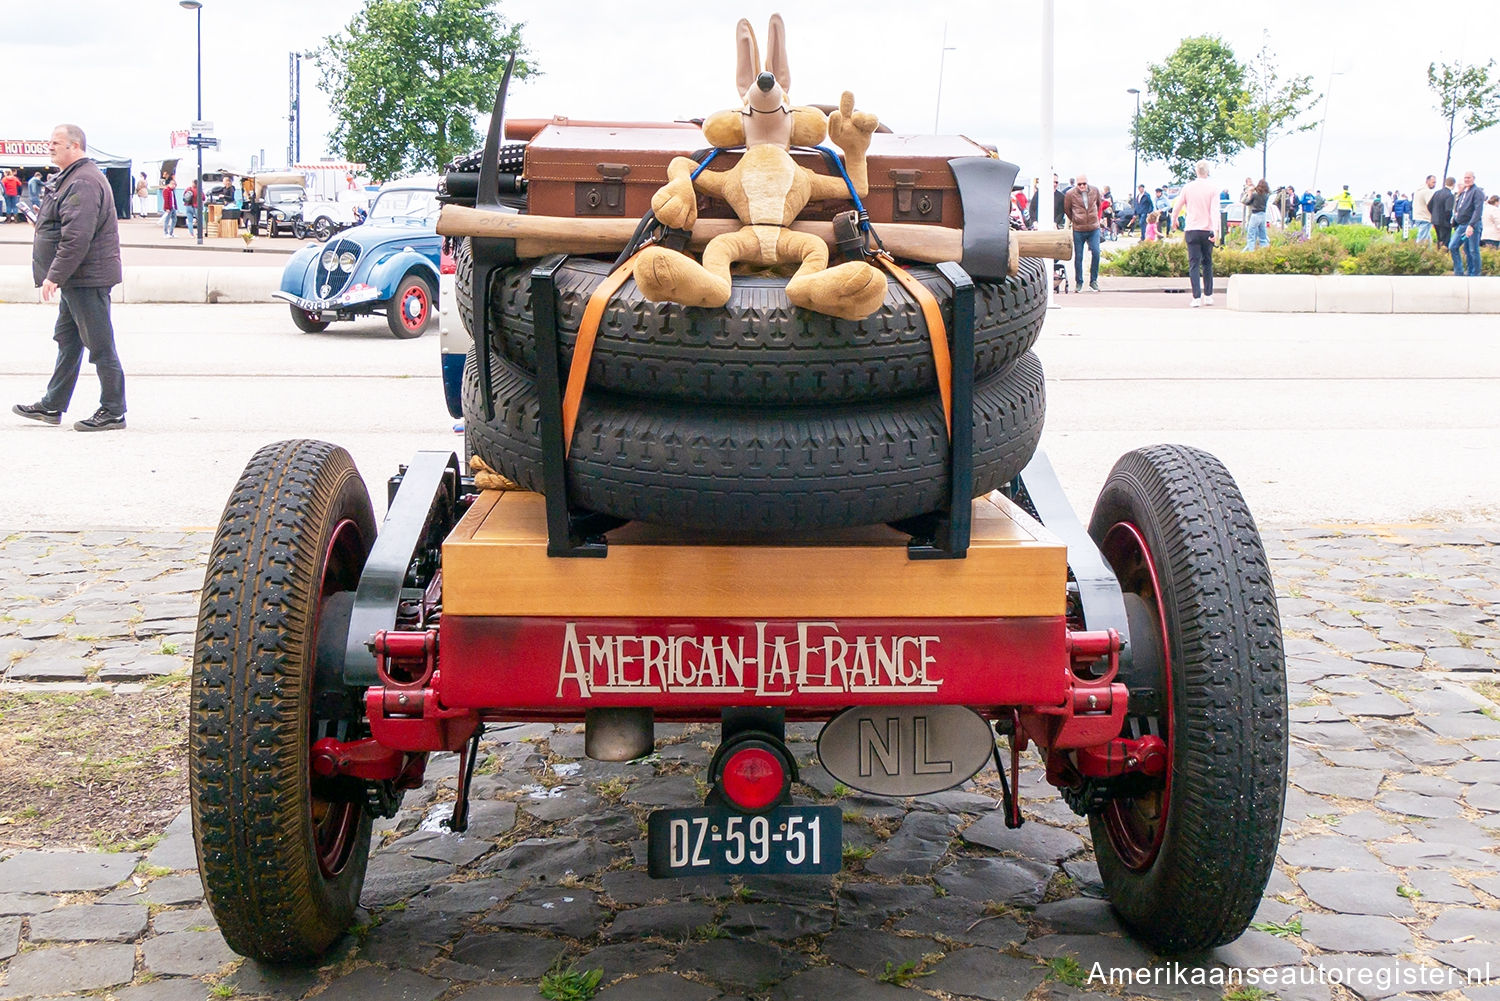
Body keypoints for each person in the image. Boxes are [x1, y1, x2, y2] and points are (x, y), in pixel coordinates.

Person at [12, 124, 125, 432]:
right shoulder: (71, 179)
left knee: (100, 344)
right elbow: (65, 223)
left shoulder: (84, 182)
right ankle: (52, 405)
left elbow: (77, 236)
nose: (50, 146)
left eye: (55, 142)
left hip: (87, 278)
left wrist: (54, 275)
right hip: (77, 278)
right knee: (68, 341)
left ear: (74, 146)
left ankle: (113, 410)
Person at [1173, 161, 1220, 307]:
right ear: (1207, 171)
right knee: (1207, 262)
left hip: (1192, 229)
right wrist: (1216, 230)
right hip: (1207, 229)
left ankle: (1196, 297)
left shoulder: (1188, 187)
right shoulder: (1213, 188)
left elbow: (1177, 205)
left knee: (1194, 263)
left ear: (1196, 172)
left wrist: (1173, 220)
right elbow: (1214, 211)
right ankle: (1208, 295)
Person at [1063, 173, 1104, 291]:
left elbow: (1099, 205)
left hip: (1093, 228)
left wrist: (1096, 219)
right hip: (1079, 229)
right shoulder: (1070, 194)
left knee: (1096, 252)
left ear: (1087, 183)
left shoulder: (1095, 191)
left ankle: (1093, 281)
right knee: (1079, 256)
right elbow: (1067, 209)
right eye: (1079, 184)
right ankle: (1079, 282)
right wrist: (1075, 219)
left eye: (1084, 184)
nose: (1082, 186)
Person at [1449, 170, 1485, 277]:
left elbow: (1478, 210)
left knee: (1473, 250)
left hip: (1471, 225)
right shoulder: (1464, 192)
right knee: (1453, 246)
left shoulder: (1477, 192)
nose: (1466, 180)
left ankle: (1474, 274)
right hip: (1461, 225)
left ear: (1473, 178)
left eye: (1469, 178)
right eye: (1465, 178)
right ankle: (1459, 272)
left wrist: (1471, 225)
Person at [1243, 179, 1270, 250]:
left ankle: (1251, 252)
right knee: (1263, 235)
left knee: (1251, 235)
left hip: (1255, 214)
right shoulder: (1266, 195)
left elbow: (1247, 202)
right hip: (1263, 215)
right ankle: (1264, 250)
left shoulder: (1255, 195)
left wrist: (1249, 194)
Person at [1431, 177, 1456, 249]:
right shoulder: (1450, 195)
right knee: (1445, 241)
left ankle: (1438, 254)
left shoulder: (1437, 193)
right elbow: (1448, 210)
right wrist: (1449, 220)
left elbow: (1429, 205)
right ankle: (1443, 255)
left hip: (1435, 220)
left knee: (1439, 240)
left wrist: (1433, 214)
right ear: (1453, 184)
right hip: (1444, 222)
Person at [1413, 175, 1436, 243]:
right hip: (1425, 217)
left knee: (1428, 241)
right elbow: (1431, 204)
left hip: (1418, 216)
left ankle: (1429, 253)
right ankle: (1417, 253)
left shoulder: (1418, 191)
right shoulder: (1427, 191)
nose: (1434, 184)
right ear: (1427, 181)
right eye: (1433, 182)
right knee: (1421, 240)